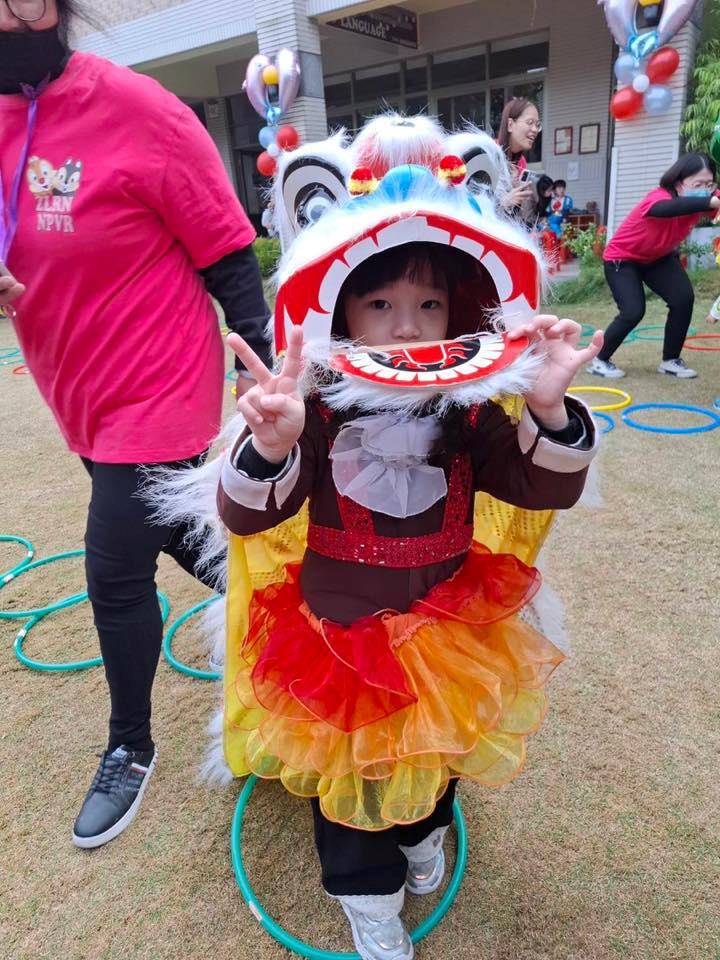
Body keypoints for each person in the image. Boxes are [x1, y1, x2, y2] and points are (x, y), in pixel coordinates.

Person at [209, 115, 600, 960]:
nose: (405, 326)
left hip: (447, 631)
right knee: (353, 779)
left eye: (428, 306)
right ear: (341, 310)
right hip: (341, 640)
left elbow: (542, 486)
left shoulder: (470, 415)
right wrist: (271, 446)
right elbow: (248, 515)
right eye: (380, 304)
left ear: (460, 310)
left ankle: (425, 835)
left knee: (438, 753)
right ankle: (370, 900)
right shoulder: (315, 414)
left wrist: (546, 408)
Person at [0, 0, 271, 848]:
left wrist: (257, 366)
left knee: (115, 568)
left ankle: (129, 747)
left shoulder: (136, 107)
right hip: (76, 390)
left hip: (160, 379)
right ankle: (298, 605)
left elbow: (227, 249)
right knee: (182, 532)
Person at [589, 152, 720, 379]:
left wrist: (710, 198)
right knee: (633, 311)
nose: (705, 189)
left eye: (709, 184)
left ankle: (670, 360)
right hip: (623, 258)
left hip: (658, 258)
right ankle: (599, 360)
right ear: (678, 183)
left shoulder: (709, 196)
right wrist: (708, 201)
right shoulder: (659, 197)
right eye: (698, 184)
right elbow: (664, 209)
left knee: (683, 299)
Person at [497, 97, 542, 216]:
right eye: (530, 123)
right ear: (510, 124)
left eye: (537, 125)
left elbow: (516, 213)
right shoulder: (489, 153)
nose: (535, 130)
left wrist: (516, 191)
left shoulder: (521, 162)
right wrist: (504, 201)